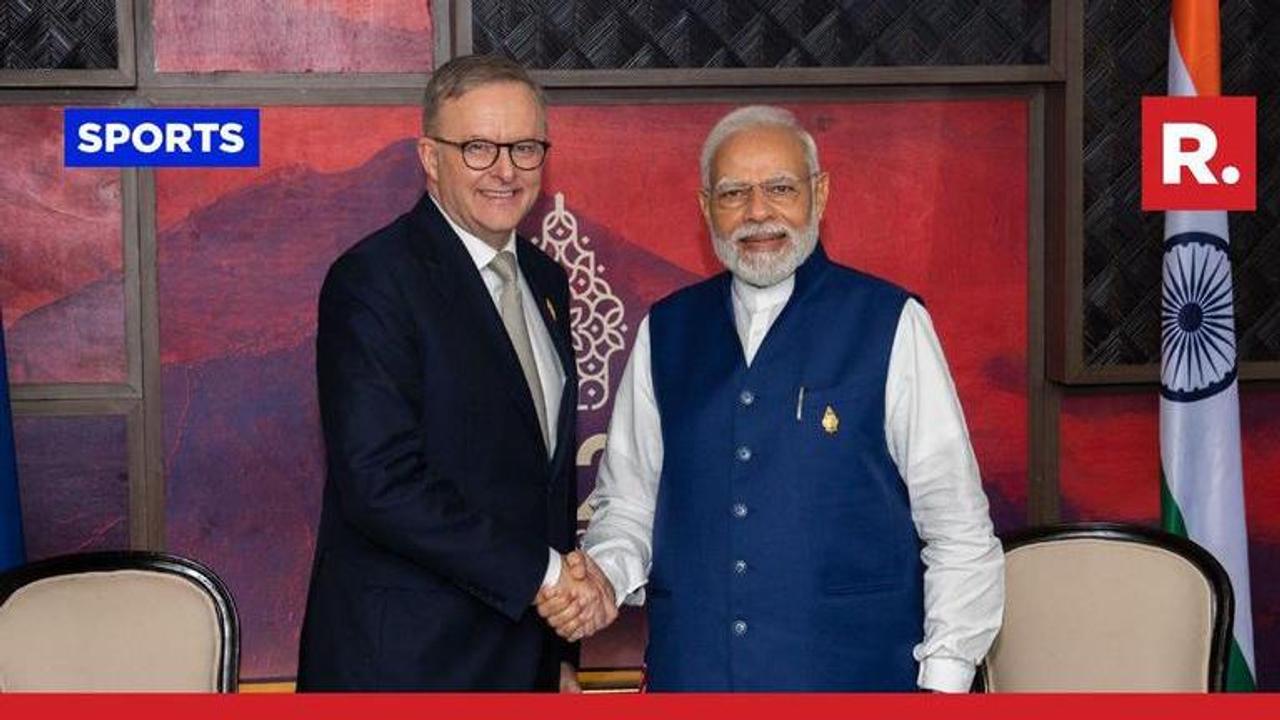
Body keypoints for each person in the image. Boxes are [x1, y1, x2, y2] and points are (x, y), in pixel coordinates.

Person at [537, 105, 1005, 692]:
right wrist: (603, 576)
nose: (758, 212)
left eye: (780, 188)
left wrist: (943, 681)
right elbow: (630, 505)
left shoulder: (890, 322)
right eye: (734, 193)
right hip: (694, 679)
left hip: (855, 679)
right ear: (706, 206)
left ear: (820, 193)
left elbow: (957, 525)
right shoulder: (666, 331)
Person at [297, 55, 606, 692]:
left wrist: (560, 656)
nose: (505, 169)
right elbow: (380, 483)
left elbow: (541, 485)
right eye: (476, 147)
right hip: (408, 665)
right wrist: (548, 578)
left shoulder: (546, 279)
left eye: (524, 147)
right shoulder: (373, 281)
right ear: (429, 157)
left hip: (520, 659)